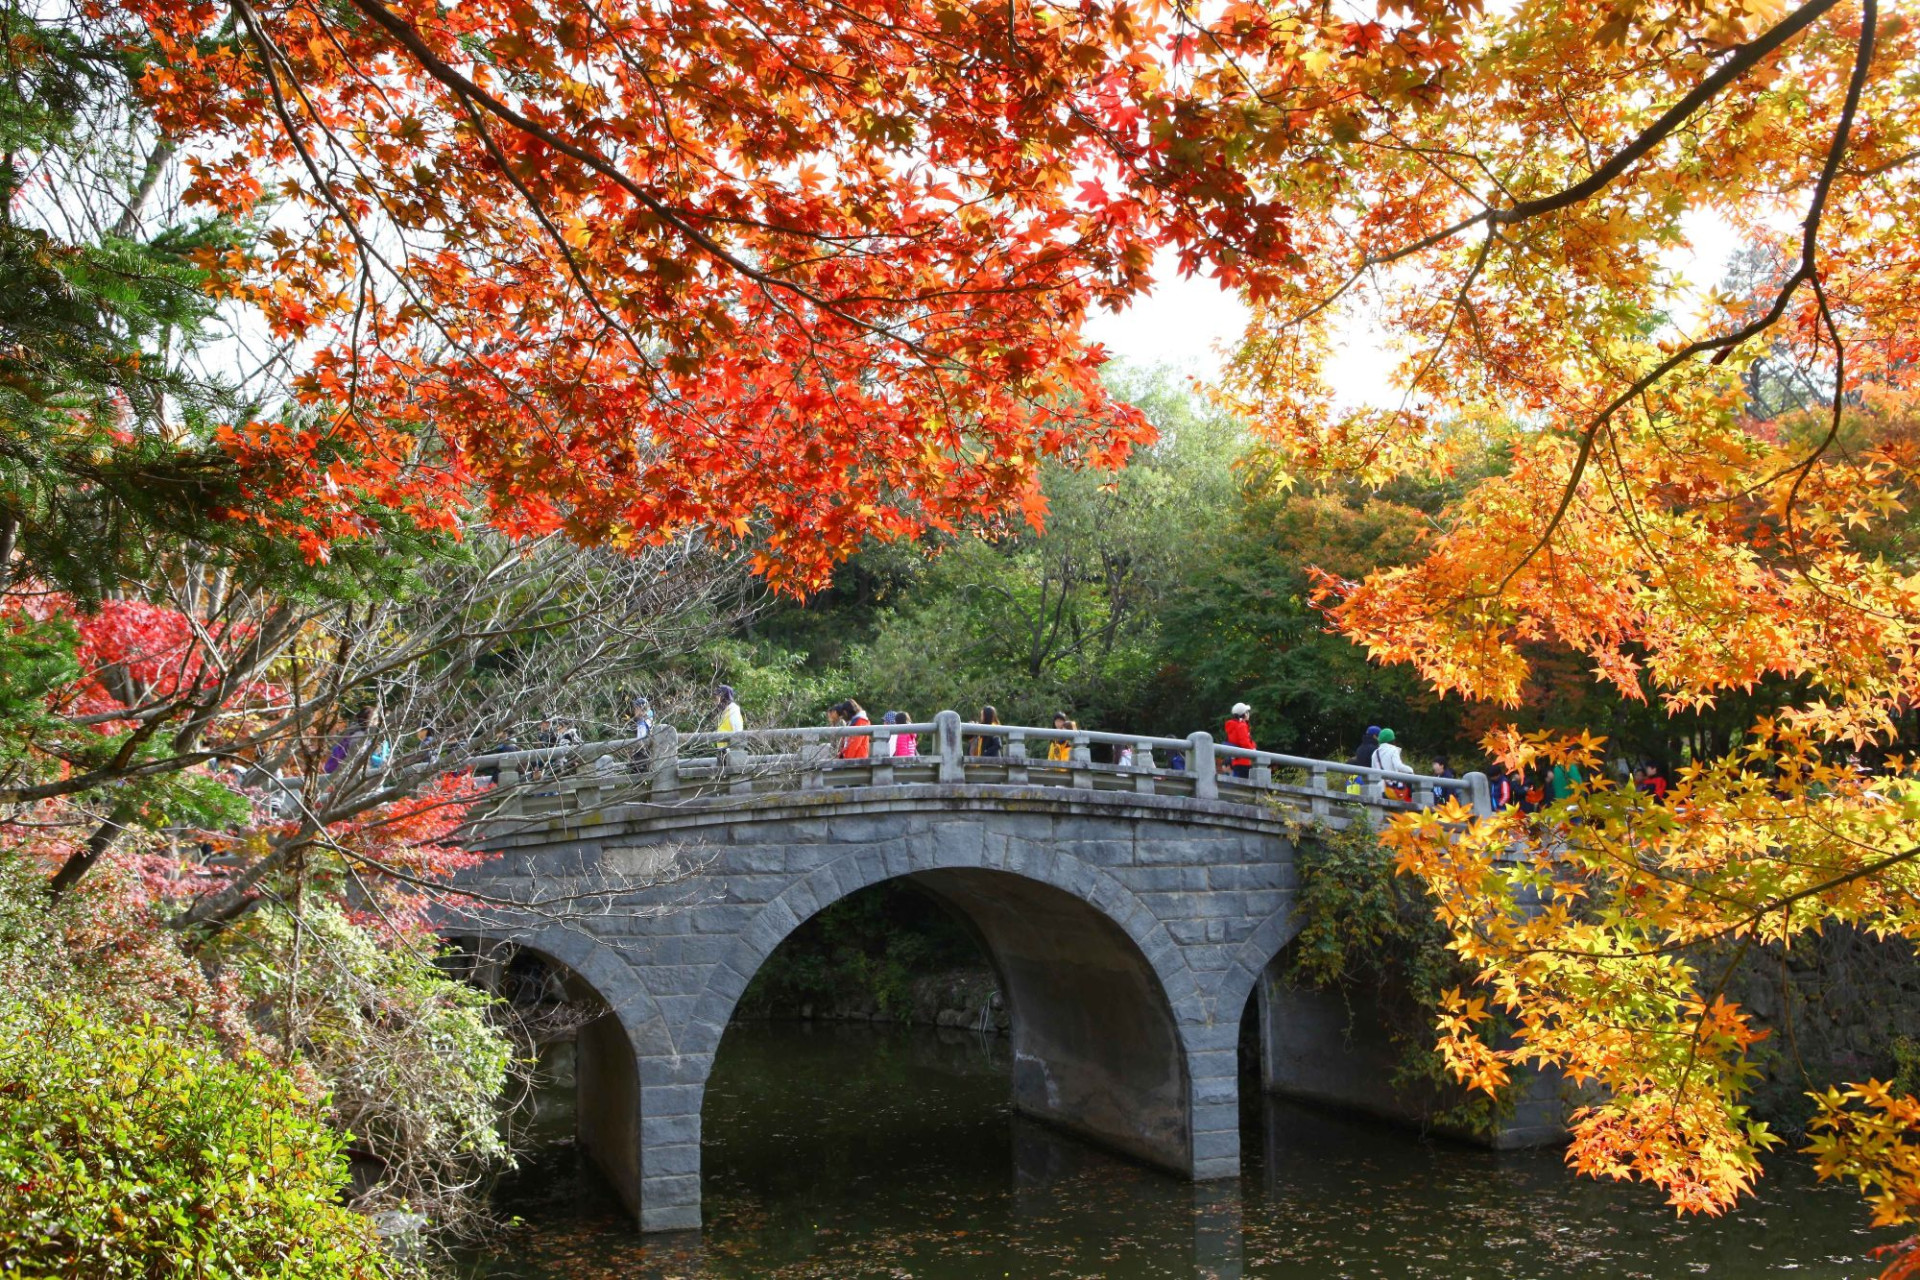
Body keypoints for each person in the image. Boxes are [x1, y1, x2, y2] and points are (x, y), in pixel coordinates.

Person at [1372, 727, 1409, 800]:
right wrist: (1411, 770)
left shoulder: (1375, 753)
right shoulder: (1393, 750)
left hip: (1379, 789)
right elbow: (1398, 766)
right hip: (1392, 789)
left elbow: (1373, 771)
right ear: (1392, 740)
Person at [1224, 702, 1256, 779]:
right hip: (1244, 761)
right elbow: (1245, 743)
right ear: (1244, 714)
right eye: (1247, 712)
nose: (1248, 714)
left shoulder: (1233, 726)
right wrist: (1253, 749)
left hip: (1236, 761)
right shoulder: (1241, 726)